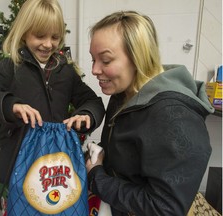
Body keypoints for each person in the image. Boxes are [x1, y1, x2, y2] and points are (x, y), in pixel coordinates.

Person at [0, 0, 105, 186]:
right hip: (19, 170)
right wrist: (9, 106)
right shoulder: (11, 67)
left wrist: (86, 115)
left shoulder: (66, 72)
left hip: (58, 168)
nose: (48, 44)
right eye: (40, 36)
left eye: (55, 37)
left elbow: (93, 102)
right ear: (24, 32)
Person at [86, 11, 214, 216]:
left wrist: (97, 178)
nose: (94, 69)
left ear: (138, 57)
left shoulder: (174, 115)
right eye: (93, 59)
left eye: (106, 60)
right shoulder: (123, 95)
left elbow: (164, 208)